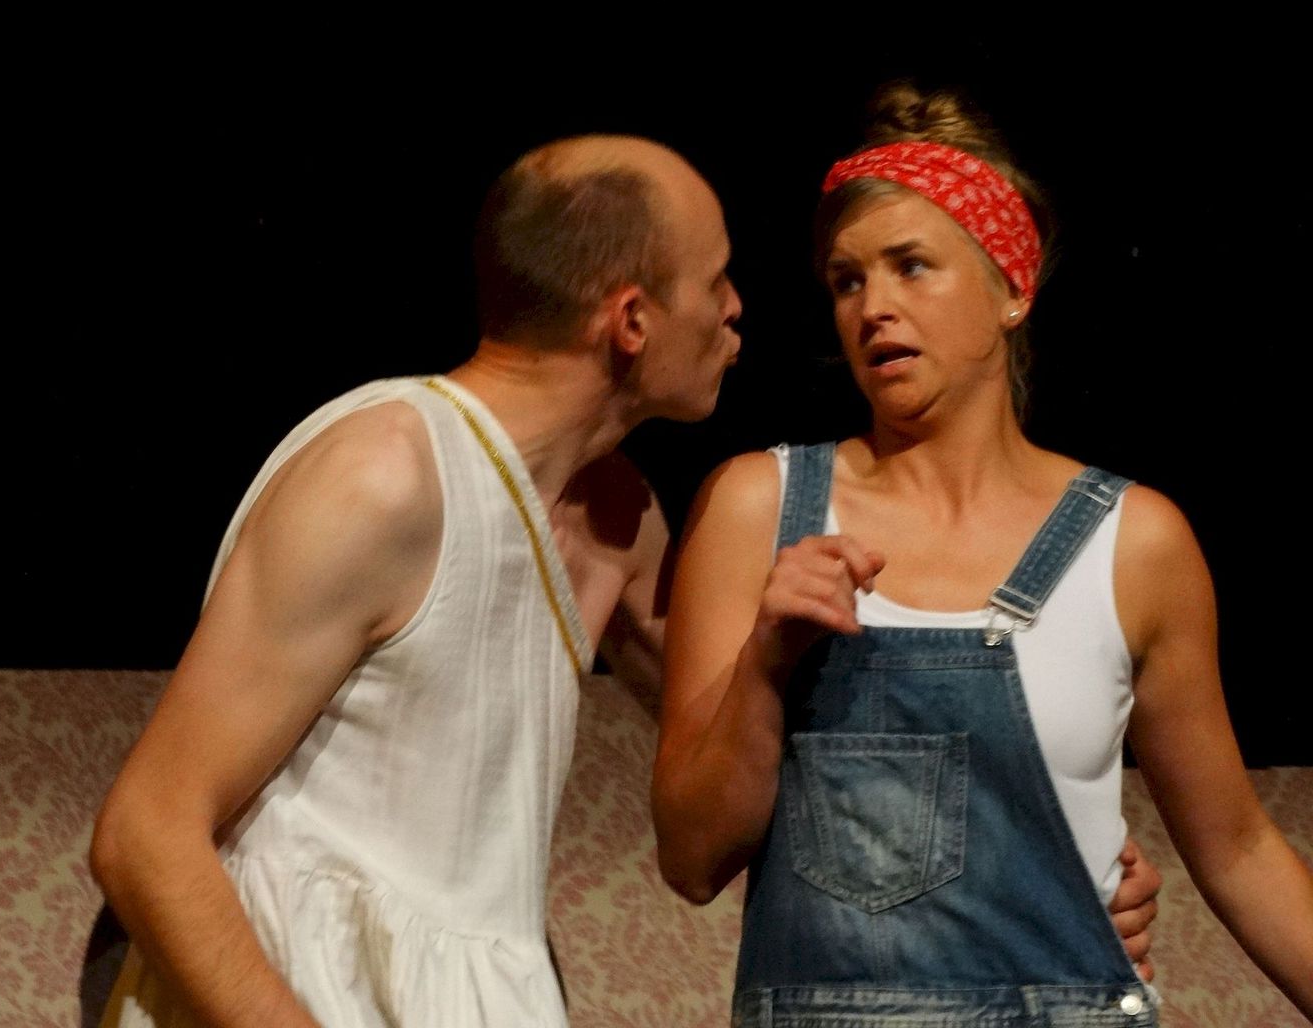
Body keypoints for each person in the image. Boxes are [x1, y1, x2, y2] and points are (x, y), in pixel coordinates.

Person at [651, 82, 1313, 1025]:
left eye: (912, 266)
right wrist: (767, 660)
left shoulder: (1136, 543)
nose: (874, 306)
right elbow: (691, 858)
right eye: (847, 280)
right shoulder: (760, 508)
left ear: (1011, 288)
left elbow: (1238, 849)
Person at [88, 133, 741, 1027]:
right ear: (631, 320)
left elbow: (727, 757)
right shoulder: (386, 477)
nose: (735, 310)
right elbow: (145, 832)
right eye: (715, 281)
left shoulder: (617, 515)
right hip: (300, 987)